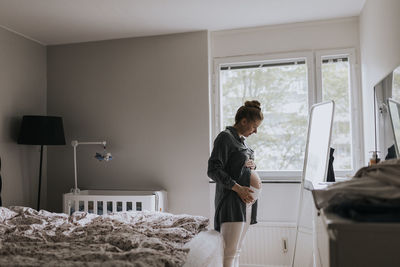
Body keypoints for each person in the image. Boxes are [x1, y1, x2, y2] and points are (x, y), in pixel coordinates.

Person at [208, 100, 263, 267]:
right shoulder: (225, 138)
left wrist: (253, 164)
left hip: (245, 202)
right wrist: (238, 189)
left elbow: (238, 167)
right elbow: (213, 170)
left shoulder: (241, 141)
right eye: (254, 126)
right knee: (229, 253)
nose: (256, 131)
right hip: (231, 201)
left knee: (236, 250)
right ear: (244, 121)